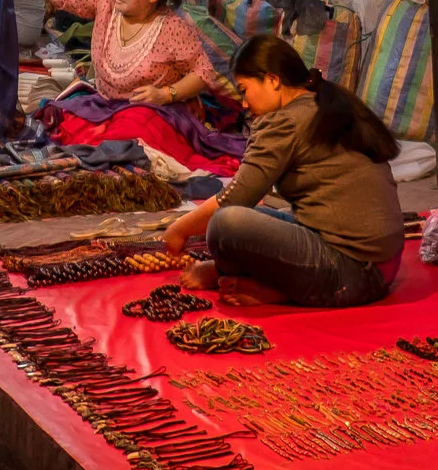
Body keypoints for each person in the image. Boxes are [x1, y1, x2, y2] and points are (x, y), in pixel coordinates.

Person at [161, 34, 404, 308]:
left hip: (353, 273)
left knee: (225, 225)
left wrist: (179, 229)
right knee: (259, 217)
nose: (243, 103)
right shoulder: (322, 101)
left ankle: (272, 288)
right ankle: (274, 286)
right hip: (386, 265)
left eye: (244, 90)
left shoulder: (285, 121)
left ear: (273, 80)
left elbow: (236, 197)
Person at [2, 0, 217, 108]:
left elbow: (204, 73)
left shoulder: (172, 29)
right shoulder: (105, 2)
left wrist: (166, 94)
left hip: (152, 114)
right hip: (105, 105)